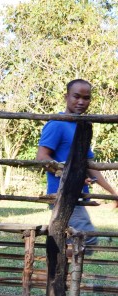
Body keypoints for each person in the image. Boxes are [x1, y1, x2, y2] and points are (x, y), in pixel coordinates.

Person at [36, 78, 118, 253]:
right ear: (66, 97)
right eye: (76, 96)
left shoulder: (82, 126)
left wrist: (112, 192)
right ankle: (53, 264)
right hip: (62, 193)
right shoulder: (57, 123)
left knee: (75, 239)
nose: (81, 101)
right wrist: (69, 173)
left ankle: (58, 272)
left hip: (77, 195)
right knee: (86, 240)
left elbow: (88, 165)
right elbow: (42, 157)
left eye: (86, 98)